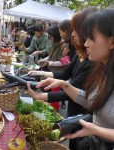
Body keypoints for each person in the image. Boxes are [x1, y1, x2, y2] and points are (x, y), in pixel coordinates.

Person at [32, 8, 114, 149]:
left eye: (91, 37)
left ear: (112, 42)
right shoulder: (102, 70)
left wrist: (96, 130)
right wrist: (65, 85)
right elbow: (90, 100)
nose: (86, 43)